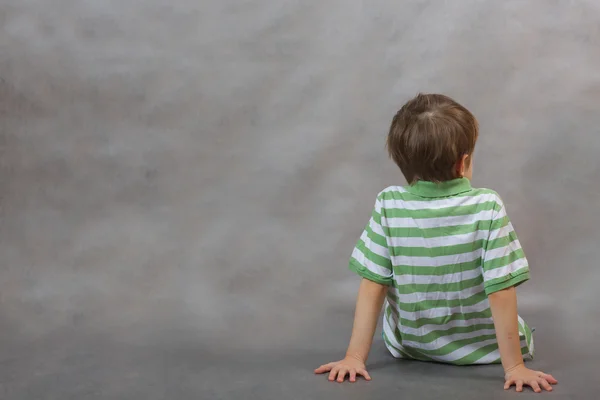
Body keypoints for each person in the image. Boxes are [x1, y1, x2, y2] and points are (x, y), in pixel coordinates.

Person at [314, 93, 558, 393]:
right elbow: (501, 290)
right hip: (484, 349)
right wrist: (515, 367)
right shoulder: (487, 205)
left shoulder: (389, 204)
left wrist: (353, 357)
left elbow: (373, 283)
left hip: (412, 346)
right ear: (462, 163)